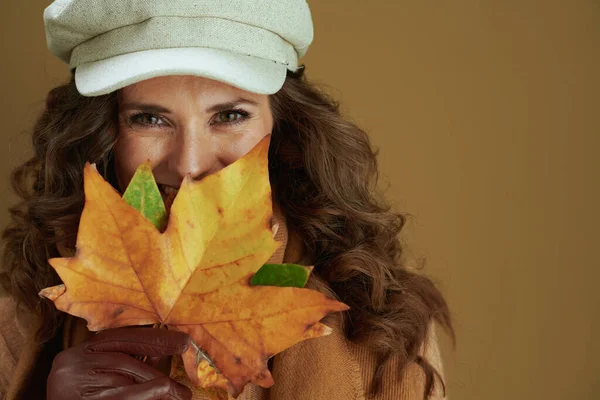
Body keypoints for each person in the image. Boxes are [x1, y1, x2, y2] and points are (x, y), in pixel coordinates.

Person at [0, 0, 454, 399]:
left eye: (230, 115)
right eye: (149, 119)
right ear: (101, 134)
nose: (190, 164)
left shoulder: (383, 318)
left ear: (284, 126)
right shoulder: (24, 310)